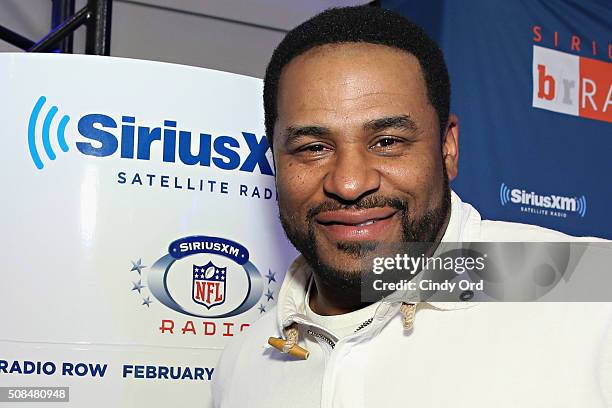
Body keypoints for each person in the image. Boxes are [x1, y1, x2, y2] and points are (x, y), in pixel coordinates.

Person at [212, 6, 612, 407]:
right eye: (313, 148)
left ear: (448, 147)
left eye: (387, 142)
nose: (349, 184)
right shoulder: (243, 364)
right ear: (276, 164)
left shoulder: (593, 299)